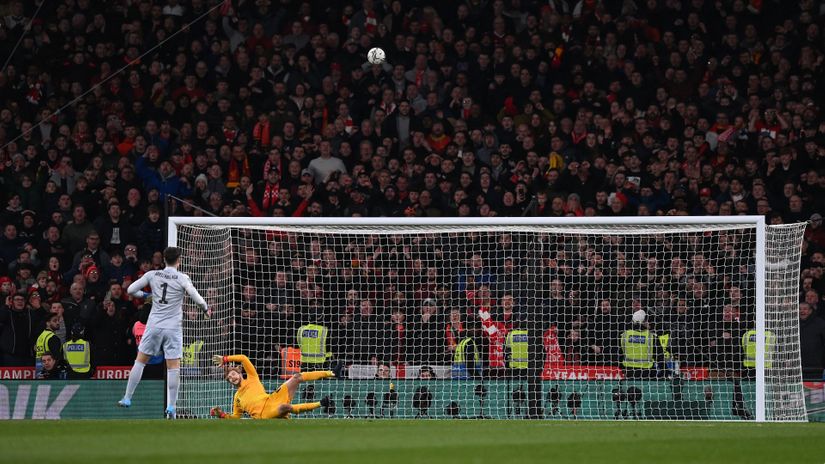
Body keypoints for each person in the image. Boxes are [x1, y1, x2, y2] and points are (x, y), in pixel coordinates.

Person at [119, 247, 208, 419]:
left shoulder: (153, 275)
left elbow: (130, 290)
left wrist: (146, 295)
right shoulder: (183, 278)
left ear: (164, 260)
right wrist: (205, 309)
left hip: (154, 326)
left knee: (140, 361)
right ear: (179, 260)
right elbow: (196, 297)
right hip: (173, 328)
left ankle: (127, 397)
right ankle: (172, 407)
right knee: (173, 367)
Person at [209, 354, 333, 419]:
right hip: (264, 414)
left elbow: (243, 358)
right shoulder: (237, 397)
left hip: (271, 399)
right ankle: (321, 403)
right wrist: (222, 415)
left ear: (239, 372)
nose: (232, 378)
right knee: (285, 407)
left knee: (296, 377)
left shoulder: (252, 377)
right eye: (229, 378)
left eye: (233, 374)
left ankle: (330, 373)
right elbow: (236, 417)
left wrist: (225, 359)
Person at [620, 310, 659, 379]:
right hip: (647, 372)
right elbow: (659, 356)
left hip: (629, 371)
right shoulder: (651, 336)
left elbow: (620, 352)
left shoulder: (625, 334)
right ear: (644, 322)